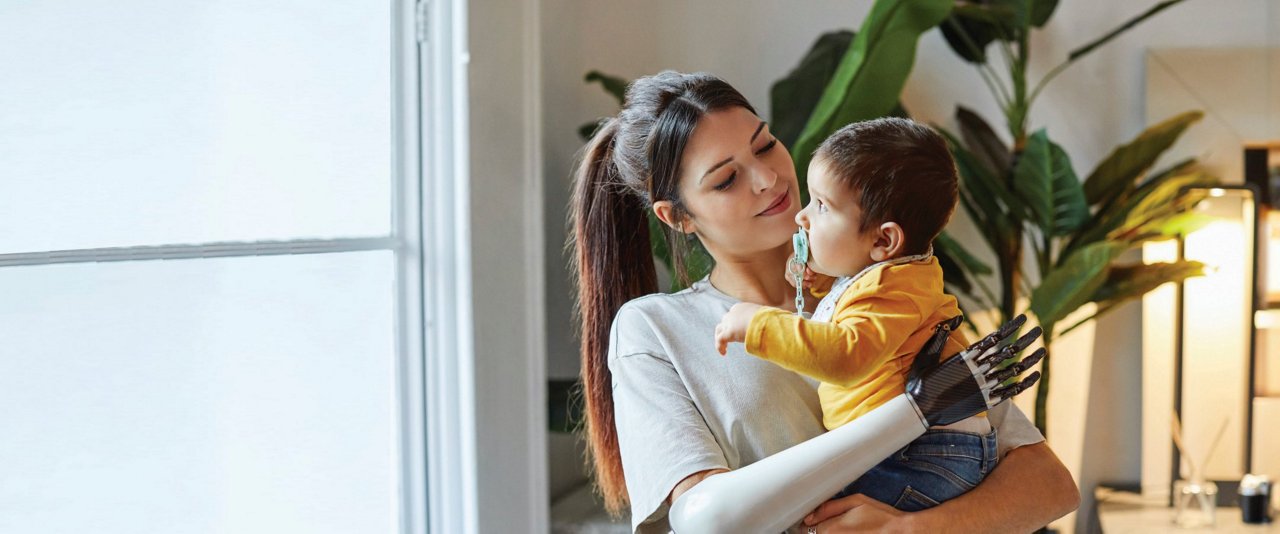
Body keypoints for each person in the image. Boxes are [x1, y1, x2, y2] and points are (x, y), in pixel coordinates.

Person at [570, 71, 1079, 533]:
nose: (768, 178)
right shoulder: (655, 330)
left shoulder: (879, 286)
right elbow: (709, 521)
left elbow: (1049, 484)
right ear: (677, 217)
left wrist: (907, 531)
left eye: (765, 145)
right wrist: (912, 413)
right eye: (726, 179)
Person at [713, 117, 1015, 512]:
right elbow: (855, 307)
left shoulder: (897, 290)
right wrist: (820, 285)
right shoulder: (892, 277)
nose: (803, 217)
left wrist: (758, 324)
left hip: (922, 453)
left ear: (884, 240)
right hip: (911, 448)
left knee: (808, 513)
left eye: (822, 206)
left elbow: (845, 355)